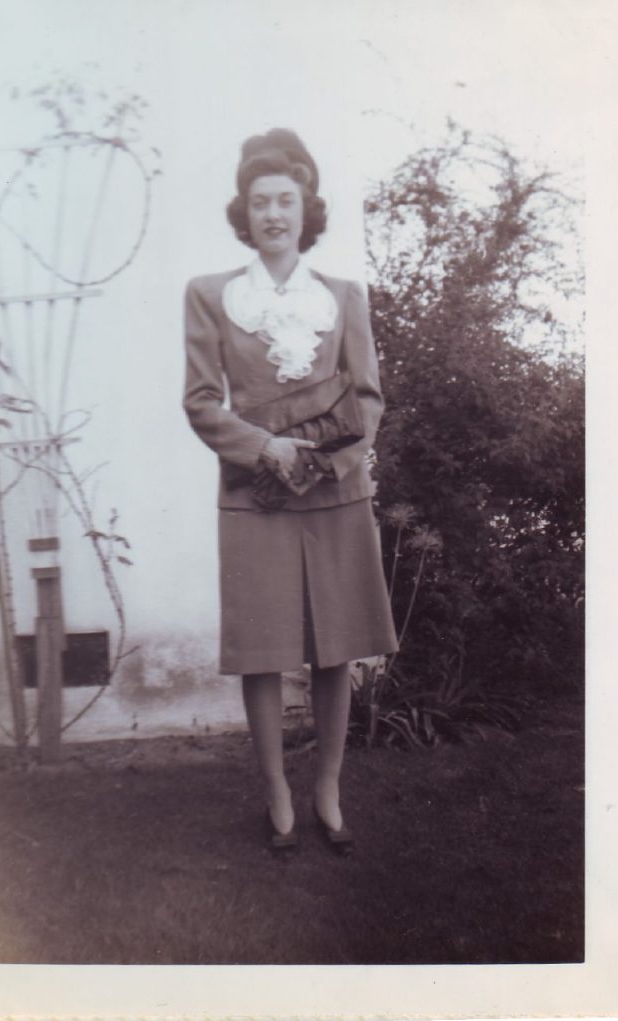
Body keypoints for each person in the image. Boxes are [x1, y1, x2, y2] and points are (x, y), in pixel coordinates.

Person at [183, 128, 397, 855]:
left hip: (334, 492)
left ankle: (328, 786)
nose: (273, 213)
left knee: (335, 646)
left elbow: (366, 402)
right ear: (244, 214)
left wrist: (323, 464)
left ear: (307, 211)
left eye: (286, 200)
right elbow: (202, 401)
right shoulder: (211, 297)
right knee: (263, 648)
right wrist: (266, 449)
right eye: (260, 202)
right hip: (254, 493)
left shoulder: (344, 298)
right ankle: (276, 788)